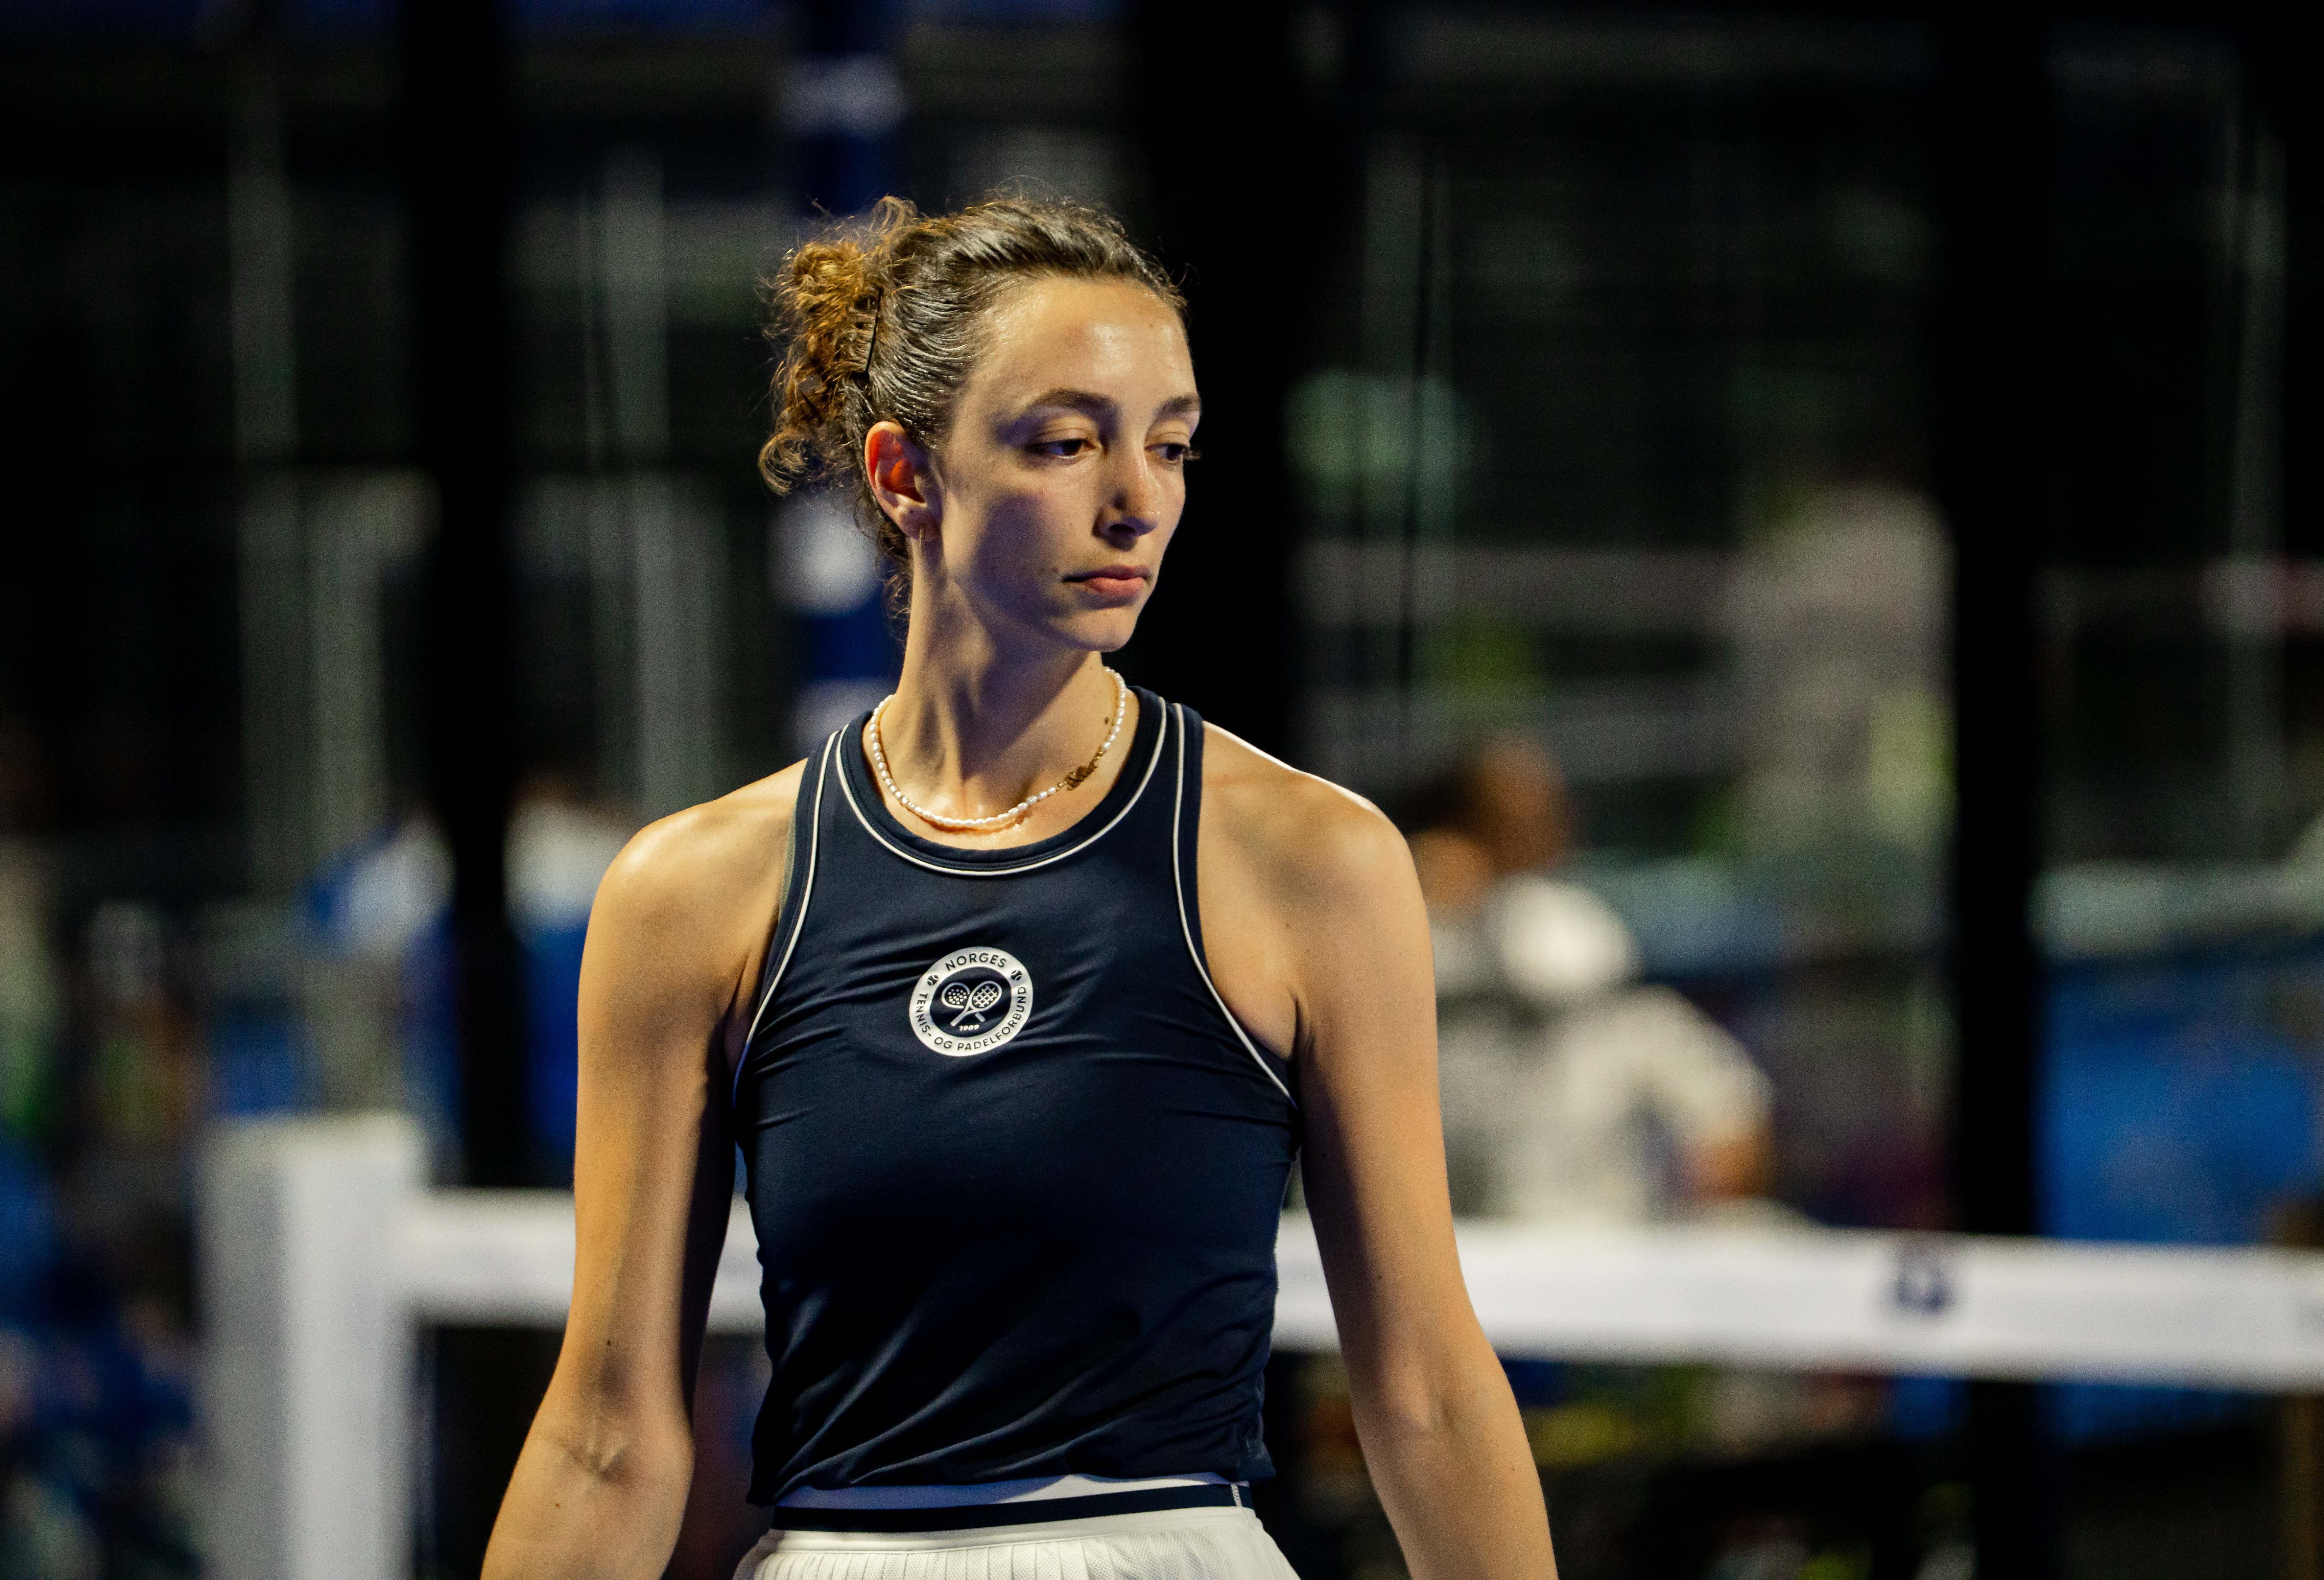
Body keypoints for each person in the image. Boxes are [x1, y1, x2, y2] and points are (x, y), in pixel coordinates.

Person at [479, 196, 1554, 1579]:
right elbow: (605, 1440)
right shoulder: (690, 892)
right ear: (904, 476)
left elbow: (1428, 1394)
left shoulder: (1312, 859)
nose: (1138, 499)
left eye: (1169, 443)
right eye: (1067, 441)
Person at [1405, 739, 1772, 1223]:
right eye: (1506, 819)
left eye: (1543, 814)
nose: (1535, 831)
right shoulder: (1405, 932)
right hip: (1464, 1235)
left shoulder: (1575, 929)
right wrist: (1410, 885)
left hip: (1602, 1233)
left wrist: (1724, 1138)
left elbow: (1723, 1101)